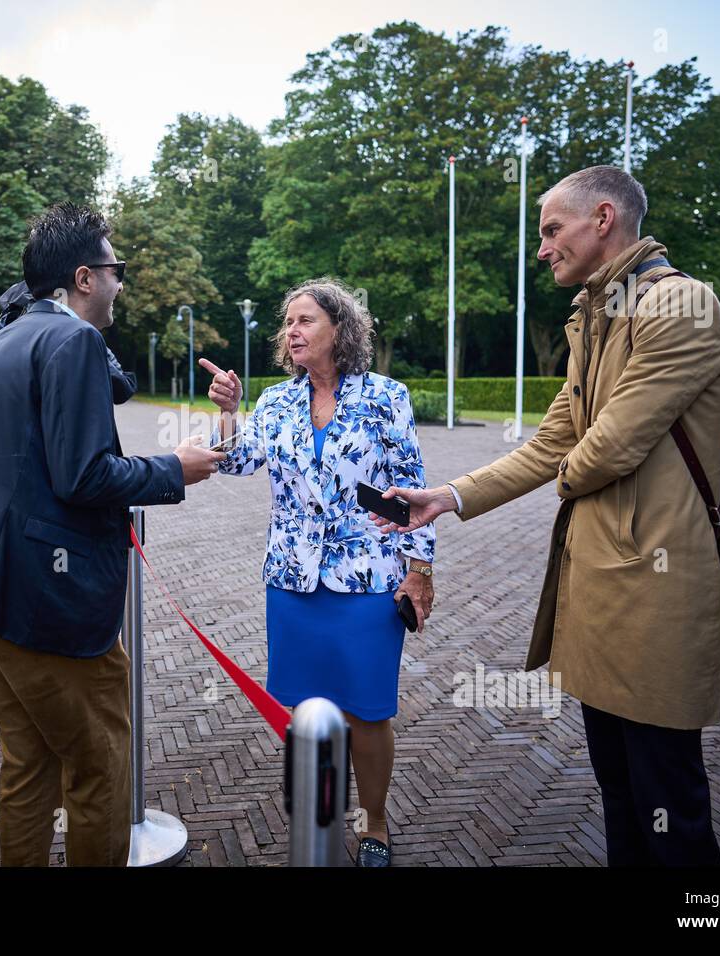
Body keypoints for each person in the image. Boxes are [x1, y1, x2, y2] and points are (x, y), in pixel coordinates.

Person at [376, 165, 720, 867]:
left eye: (550, 229)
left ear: (603, 218)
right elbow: (552, 440)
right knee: (621, 790)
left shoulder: (680, 306)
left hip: (656, 594)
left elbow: (606, 447)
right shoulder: (596, 313)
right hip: (603, 591)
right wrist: (445, 498)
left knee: (671, 806)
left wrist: (568, 473)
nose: (541, 248)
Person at [0, 202, 225, 866]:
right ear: (84, 277)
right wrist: (177, 468)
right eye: (116, 270)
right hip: (42, 604)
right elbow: (83, 476)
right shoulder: (74, 341)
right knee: (99, 766)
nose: (121, 284)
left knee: (28, 765)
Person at [202, 277, 435, 867]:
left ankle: (374, 822)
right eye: (288, 323)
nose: (292, 331)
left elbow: (414, 484)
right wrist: (228, 415)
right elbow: (237, 462)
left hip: (367, 580)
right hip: (292, 582)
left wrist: (420, 568)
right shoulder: (277, 401)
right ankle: (319, 815)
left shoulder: (386, 396)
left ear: (340, 329)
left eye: (305, 320)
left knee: (367, 709)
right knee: (304, 710)